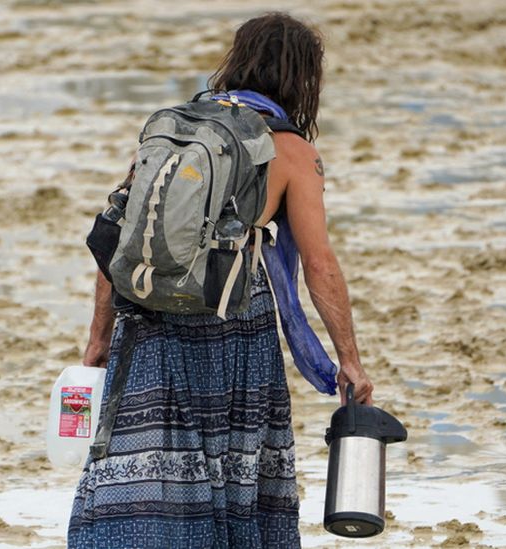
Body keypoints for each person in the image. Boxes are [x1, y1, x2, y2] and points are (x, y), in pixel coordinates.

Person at [68, 12, 373, 548]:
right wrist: (348, 357)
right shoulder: (292, 152)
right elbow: (320, 264)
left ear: (237, 60)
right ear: (303, 78)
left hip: (150, 319)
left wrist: (98, 338)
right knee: (234, 471)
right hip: (234, 322)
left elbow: (120, 238)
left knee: (150, 462)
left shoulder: (174, 127)